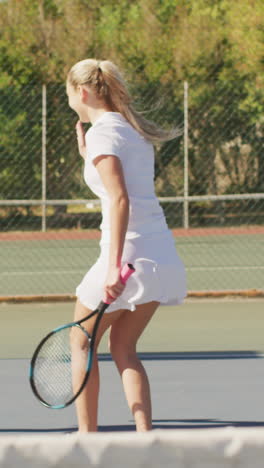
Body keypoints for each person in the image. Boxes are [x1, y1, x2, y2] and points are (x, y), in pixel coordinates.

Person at [66, 58, 186, 433]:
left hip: (128, 258)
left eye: (67, 91)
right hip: (160, 257)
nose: (67, 97)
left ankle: (87, 441)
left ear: (81, 92)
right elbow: (120, 185)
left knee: (81, 342)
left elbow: (120, 200)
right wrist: (89, 158)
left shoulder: (105, 133)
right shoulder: (130, 131)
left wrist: (114, 268)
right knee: (123, 347)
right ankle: (146, 438)